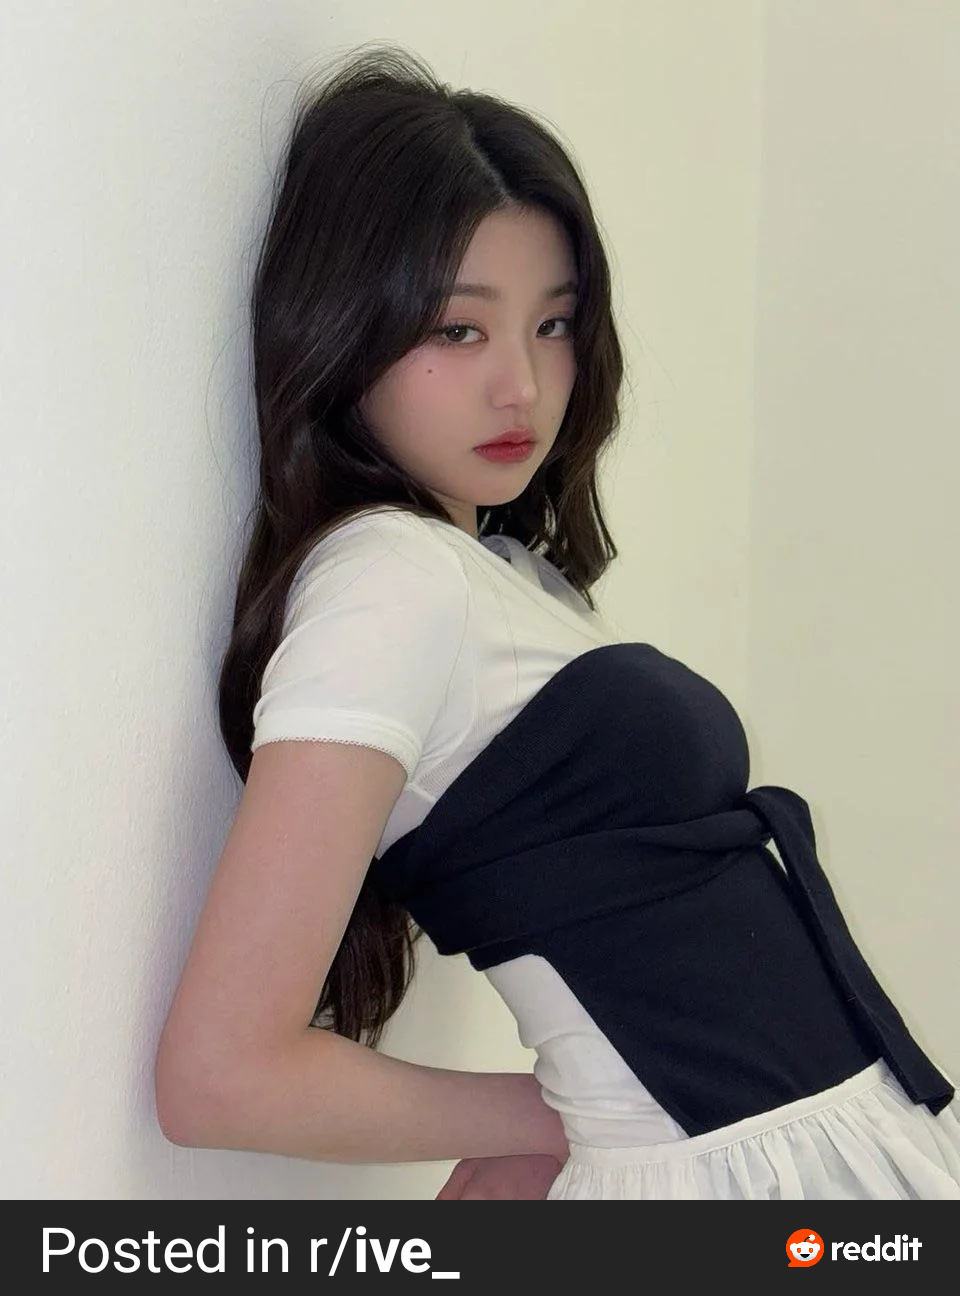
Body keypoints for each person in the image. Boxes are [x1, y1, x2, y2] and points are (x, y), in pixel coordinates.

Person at [154, 42, 960, 1200]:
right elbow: (220, 1076)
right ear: (343, 327)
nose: (523, 388)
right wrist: (554, 1115)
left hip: (812, 1162)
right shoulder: (389, 580)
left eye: (555, 324)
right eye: (459, 330)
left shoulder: (504, 576)